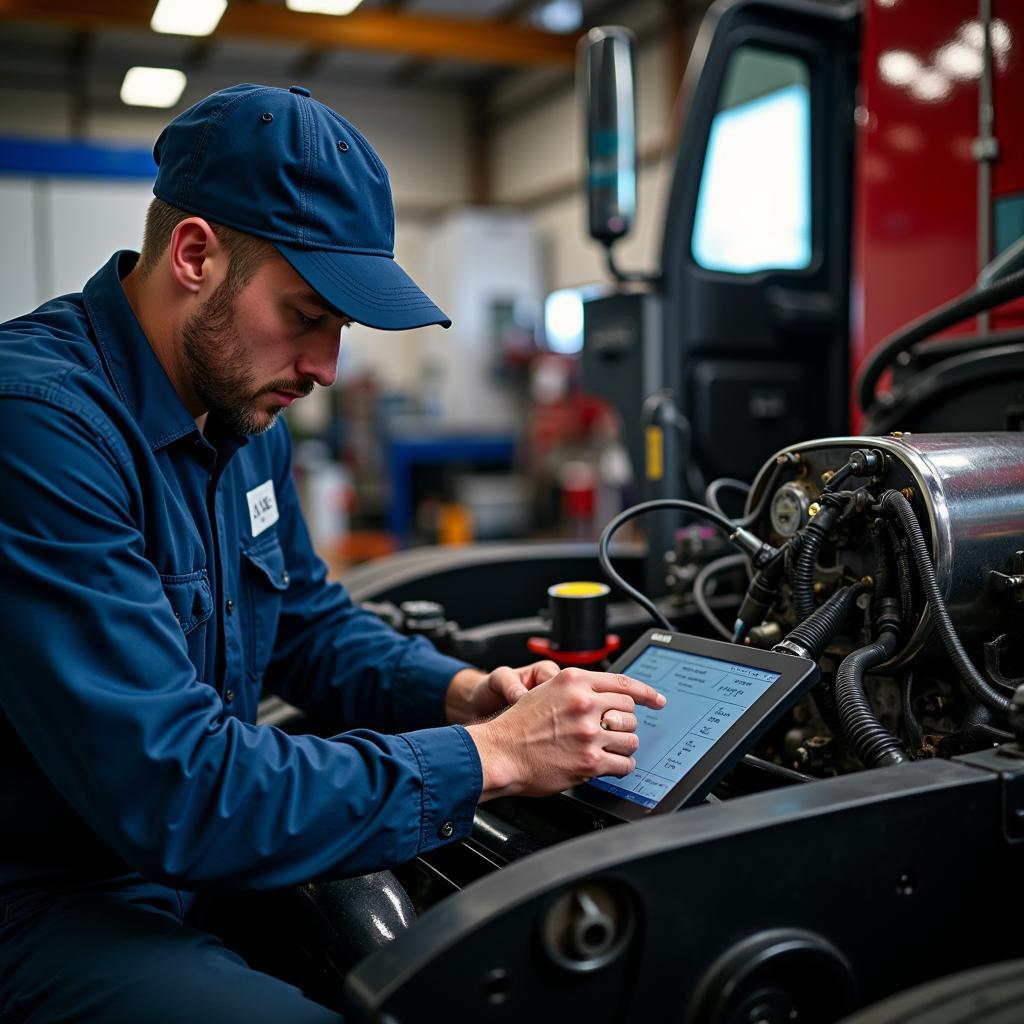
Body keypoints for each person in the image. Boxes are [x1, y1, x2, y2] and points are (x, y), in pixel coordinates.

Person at [0, 84, 665, 1022]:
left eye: (341, 330)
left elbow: (308, 624)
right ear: (195, 254)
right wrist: (488, 758)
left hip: (174, 870)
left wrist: (464, 694)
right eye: (308, 314)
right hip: (43, 898)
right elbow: (180, 791)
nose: (325, 369)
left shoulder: (240, 415)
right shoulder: (39, 428)